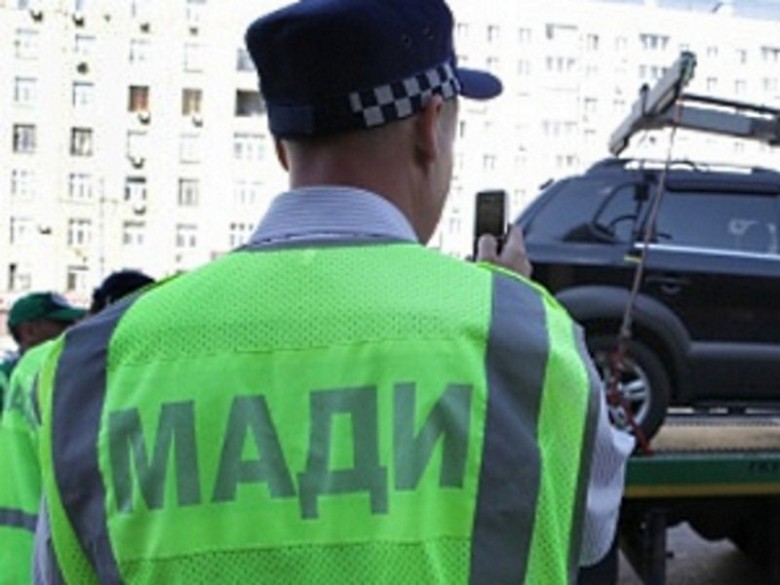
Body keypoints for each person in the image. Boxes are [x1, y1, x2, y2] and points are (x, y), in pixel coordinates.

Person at [33, 1, 633, 583]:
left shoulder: (93, 365)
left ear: (280, 146)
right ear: (430, 127)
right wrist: (509, 305)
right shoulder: (527, 340)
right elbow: (589, 534)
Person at [0, 292, 85, 584]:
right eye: (60, 324)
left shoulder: (30, 374)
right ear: (30, 330)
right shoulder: (28, 374)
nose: (70, 330)